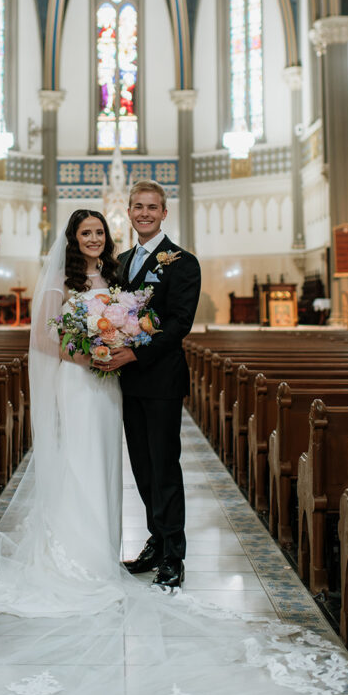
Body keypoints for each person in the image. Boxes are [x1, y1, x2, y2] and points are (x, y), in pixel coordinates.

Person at [0, 210, 348, 695]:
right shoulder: (64, 279)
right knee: (80, 464)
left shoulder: (117, 273)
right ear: (73, 238)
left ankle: (115, 551)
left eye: (99, 233)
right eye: (86, 233)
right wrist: (90, 354)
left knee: (110, 466)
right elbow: (48, 338)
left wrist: (114, 343)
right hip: (82, 379)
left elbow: (141, 321)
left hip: (110, 384)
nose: (94, 239)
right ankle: (80, 558)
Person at [109, 181, 201, 589]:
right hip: (127, 382)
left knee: (164, 467)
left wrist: (135, 354)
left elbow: (180, 323)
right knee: (142, 468)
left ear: (165, 213)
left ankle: (174, 556)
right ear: (128, 213)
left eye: (152, 207)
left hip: (160, 379)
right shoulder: (122, 260)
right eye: (137, 207)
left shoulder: (183, 262)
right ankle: (156, 539)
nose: (144, 213)